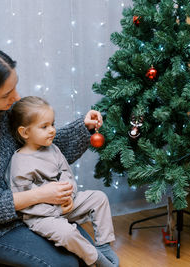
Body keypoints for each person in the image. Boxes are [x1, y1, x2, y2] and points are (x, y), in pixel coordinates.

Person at [0, 44, 103, 267]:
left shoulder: (5, 111)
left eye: (15, 87)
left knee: (85, 254)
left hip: (32, 211)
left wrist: (84, 127)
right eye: (6, 94)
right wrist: (40, 195)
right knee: (66, 265)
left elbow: (39, 148)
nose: (17, 97)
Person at [7, 96, 118, 267]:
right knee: (67, 233)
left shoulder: (53, 149)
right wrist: (55, 209)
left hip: (65, 204)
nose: (52, 130)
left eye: (52, 124)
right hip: (41, 217)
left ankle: (103, 246)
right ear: (25, 132)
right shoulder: (20, 163)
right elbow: (25, 204)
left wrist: (69, 197)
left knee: (99, 198)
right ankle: (97, 259)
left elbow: (66, 174)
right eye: (44, 127)